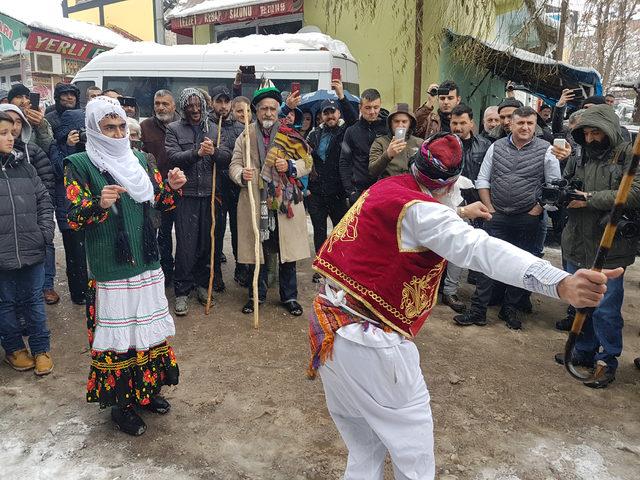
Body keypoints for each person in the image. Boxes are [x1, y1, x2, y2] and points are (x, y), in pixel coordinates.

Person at [307, 132, 620, 480]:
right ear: (449, 184)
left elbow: (421, 222)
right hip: (371, 343)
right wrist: (559, 281)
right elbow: (480, 249)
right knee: (414, 457)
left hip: (329, 328)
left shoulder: (386, 188)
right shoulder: (426, 213)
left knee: (365, 447)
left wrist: (457, 212)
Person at [63, 96, 186, 435]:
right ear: (94, 130)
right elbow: (73, 218)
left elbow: (159, 200)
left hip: (146, 262)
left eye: (121, 127)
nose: (118, 134)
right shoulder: (79, 164)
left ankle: (146, 393)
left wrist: (173, 189)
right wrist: (97, 204)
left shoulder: (142, 159)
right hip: (111, 268)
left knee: (145, 333)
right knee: (120, 339)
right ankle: (122, 405)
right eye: (109, 127)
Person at [455, 107, 569, 330]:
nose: (525, 127)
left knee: (521, 265)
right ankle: (479, 310)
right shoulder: (496, 147)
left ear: (535, 125)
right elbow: (483, 180)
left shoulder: (547, 150)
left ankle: (511, 309)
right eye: (521, 123)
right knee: (486, 263)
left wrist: (537, 210)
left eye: (530, 123)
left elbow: (553, 184)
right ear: (511, 124)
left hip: (528, 217)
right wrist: (489, 207)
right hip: (496, 215)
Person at [554, 104, 639, 389]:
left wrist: (589, 198)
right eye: (586, 133)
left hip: (609, 245)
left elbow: (634, 193)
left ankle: (607, 360)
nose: (590, 139)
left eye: (596, 132)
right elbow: (566, 183)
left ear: (610, 130)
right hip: (577, 240)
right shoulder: (578, 154)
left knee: (605, 309)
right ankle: (584, 351)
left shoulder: (629, 155)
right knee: (581, 300)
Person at [228, 79, 312, 316]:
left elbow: (308, 162)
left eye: (272, 108)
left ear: (278, 110)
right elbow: (234, 164)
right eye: (263, 108)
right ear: (256, 110)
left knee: (287, 253)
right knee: (258, 250)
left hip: (284, 202)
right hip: (255, 200)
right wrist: (240, 175)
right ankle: (257, 294)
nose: (268, 112)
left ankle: (290, 297)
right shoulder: (245, 136)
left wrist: (291, 166)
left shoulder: (289, 134)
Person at [166, 88, 231, 316]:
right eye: (189, 106)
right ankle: (182, 291)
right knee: (185, 246)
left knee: (207, 244)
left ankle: (203, 286)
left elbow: (227, 159)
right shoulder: (174, 129)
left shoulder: (215, 128)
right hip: (187, 197)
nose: (194, 109)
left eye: (198, 105)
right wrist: (196, 153)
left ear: (204, 106)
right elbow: (172, 157)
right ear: (183, 108)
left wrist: (213, 152)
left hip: (211, 195)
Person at [0, 111, 55, 376]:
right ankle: (13, 349)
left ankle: (41, 349)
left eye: (12, 133)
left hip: (31, 247)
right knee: (6, 303)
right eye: (3, 134)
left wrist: (44, 232)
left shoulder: (24, 166)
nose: (10, 139)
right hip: (2, 253)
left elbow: (44, 200)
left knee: (34, 300)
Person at [0, 104, 57, 304]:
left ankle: (46, 286)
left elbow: (46, 183)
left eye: (17, 122)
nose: (13, 129)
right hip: (7, 234)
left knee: (33, 296)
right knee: (8, 298)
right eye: (6, 127)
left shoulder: (32, 151)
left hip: (33, 222)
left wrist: (44, 227)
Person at [440, 103, 493, 313]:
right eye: (454, 123)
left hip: (478, 203)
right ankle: (442, 289)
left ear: (472, 123)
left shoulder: (486, 145)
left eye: (463, 123)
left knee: (464, 250)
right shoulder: (442, 143)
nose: (458, 127)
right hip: (450, 203)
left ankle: (452, 290)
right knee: (444, 248)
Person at [306, 81, 358, 282]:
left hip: (338, 191)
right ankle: (321, 268)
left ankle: (339, 268)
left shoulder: (347, 131)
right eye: (326, 113)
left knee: (340, 232)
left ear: (338, 113)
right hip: (317, 193)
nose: (330, 116)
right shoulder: (314, 134)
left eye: (333, 112)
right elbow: (305, 156)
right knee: (319, 233)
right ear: (321, 115)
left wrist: (342, 97)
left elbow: (354, 120)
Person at [46, 82, 89, 305]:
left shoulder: (91, 147)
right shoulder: (56, 146)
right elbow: (60, 169)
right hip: (68, 206)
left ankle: (92, 289)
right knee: (75, 255)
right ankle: (79, 294)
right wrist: (69, 145)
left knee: (90, 251)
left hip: (90, 205)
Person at [208, 85, 248, 290]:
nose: (223, 106)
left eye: (226, 102)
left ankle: (241, 269)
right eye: (219, 101)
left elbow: (241, 156)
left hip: (236, 186)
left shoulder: (241, 128)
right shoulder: (206, 125)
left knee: (239, 229)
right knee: (216, 229)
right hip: (215, 187)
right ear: (212, 102)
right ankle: (214, 275)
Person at [141, 90, 181, 286]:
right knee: (162, 234)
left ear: (174, 106)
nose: (161, 107)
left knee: (183, 234)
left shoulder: (183, 125)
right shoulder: (145, 126)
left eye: (165, 103)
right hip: (157, 192)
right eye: (157, 103)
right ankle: (165, 273)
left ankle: (182, 272)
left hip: (182, 190)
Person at [339, 88, 387, 205]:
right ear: (360, 107)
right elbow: (344, 161)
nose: (372, 112)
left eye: (376, 107)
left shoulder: (387, 129)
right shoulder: (351, 131)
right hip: (359, 191)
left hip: (384, 189)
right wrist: (350, 191)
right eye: (368, 107)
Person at [368, 102, 423, 179]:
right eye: (396, 121)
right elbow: (372, 171)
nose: (400, 125)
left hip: (412, 187)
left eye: (404, 121)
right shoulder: (380, 142)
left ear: (410, 123)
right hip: (389, 187)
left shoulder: (419, 143)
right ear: (390, 123)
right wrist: (388, 154)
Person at [8, 83, 54, 153]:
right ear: (9, 102)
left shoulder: (40, 120)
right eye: (18, 97)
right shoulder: (4, 120)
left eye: (27, 97)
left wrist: (40, 126)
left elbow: (48, 148)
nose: (24, 101)